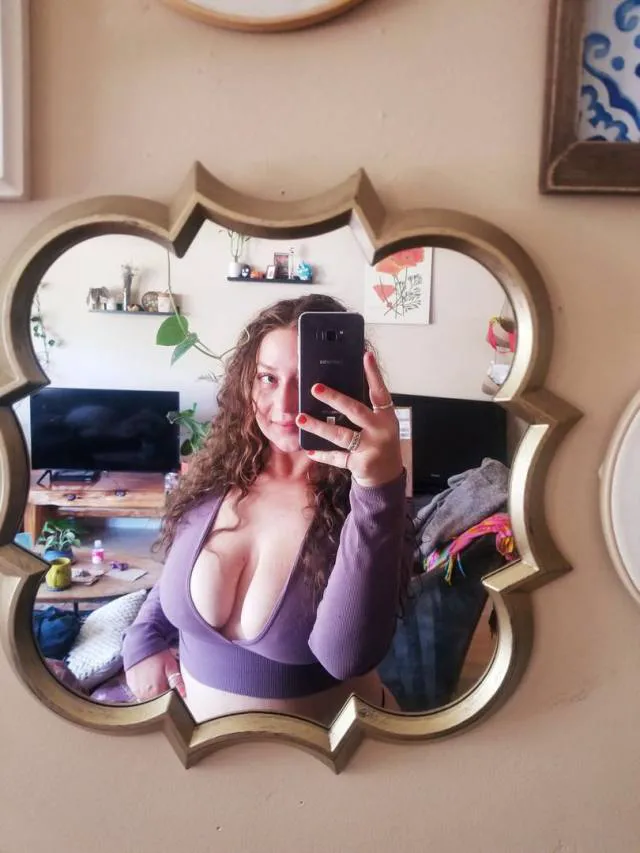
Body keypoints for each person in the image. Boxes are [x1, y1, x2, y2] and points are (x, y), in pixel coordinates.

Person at [122, 294, 411, 724]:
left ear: (347, 387)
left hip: (335, 757)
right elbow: (177, 575)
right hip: (201, 752)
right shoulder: (218, 473)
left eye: (308, 381)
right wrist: (143, 638)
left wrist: (376, 489)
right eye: (268, 378)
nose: (284, 405)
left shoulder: (367, 501)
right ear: (247, 381)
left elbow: (347, 657)